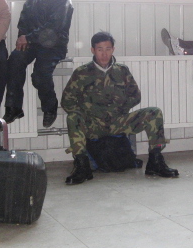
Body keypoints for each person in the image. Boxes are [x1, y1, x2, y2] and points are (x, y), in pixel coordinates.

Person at [61, 31, 179, 185]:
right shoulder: (82, 73)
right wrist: (88, 112)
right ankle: (82, 166)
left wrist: (120, 109)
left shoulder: (121, 71)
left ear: (113, 49)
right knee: (73, 117)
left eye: (108, 49)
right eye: (100, 49)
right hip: (93, 124)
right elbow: (67, 101)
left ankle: (155, 161)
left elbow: (135, 96)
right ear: (93, 50)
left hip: (118, 121)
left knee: (154, 113)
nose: (104, 54)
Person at [3, 0, 73, 128]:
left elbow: (54, 27)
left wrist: (28, 37)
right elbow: (24, 17)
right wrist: (22, 37)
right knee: (15, 60)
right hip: (33, 42)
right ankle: (13, 107)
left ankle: (50, 108)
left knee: (40, 75)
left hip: (53, 45)